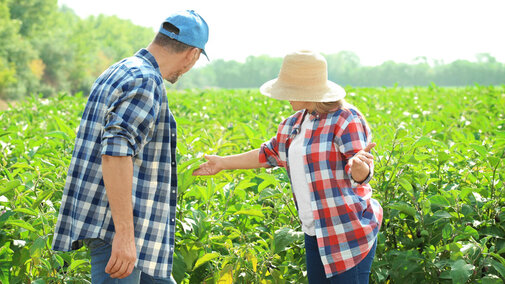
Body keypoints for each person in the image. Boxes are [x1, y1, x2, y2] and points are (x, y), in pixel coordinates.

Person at [193, 50, 383, 283]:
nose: (284, 96)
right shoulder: (292, 124)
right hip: (314, 233)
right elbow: (267, 155)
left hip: (346, 233)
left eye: (289, 89)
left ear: (307, 90)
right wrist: (222, 163)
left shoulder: (345, 118)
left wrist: (358, 167)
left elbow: (361, 173)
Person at [51, 10, 209, 284]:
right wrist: (124, 235)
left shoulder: (121, 69)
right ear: (192, 54)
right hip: (117, 231)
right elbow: (115, 153)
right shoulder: (146, 81)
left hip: (129, 230)